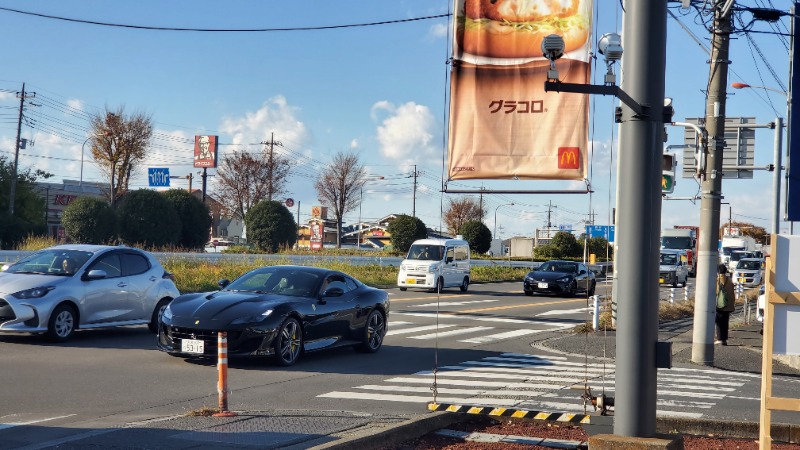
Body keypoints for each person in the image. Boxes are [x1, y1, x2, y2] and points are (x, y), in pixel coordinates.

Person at [715, 263, 736, 345]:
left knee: (719, 322)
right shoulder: (729, 281)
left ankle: (720, 338)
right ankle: (724, 339)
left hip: (719, 305)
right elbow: (732, 294)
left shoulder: (717, 281)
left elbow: (716, 292)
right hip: (728, 305)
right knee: (725, 322)